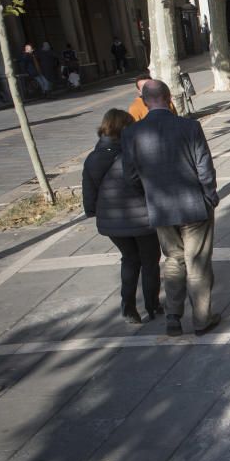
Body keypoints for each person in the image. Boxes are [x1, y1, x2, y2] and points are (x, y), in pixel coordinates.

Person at [122, 80, 221, 338]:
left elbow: (130, 176)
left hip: (161, 208)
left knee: (174, 260)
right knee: (197, 262)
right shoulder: (189, 126)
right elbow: (204, 166)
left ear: (144, 102)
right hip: (194, 205)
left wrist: (149, 195)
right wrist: (210, 195)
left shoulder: (132, 134)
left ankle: (173, 316)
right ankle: (201, 319)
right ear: (168, 98)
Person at [82, 109, 162, 324]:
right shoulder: (134, 153)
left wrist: (95, 212)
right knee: (149, 261)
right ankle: (152, 305)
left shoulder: (92, 158)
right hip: (142, 219)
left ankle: (128, 308)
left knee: (129, 260)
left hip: (111, 222)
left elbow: (90, 194)